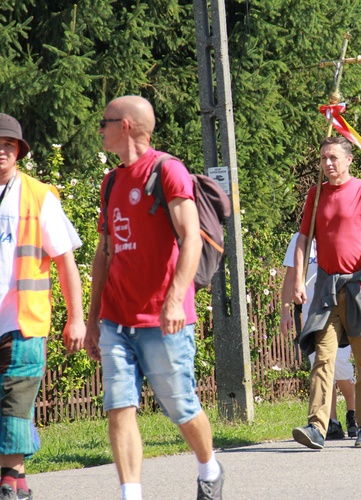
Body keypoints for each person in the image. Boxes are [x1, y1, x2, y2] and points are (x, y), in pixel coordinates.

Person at [83, 96, 223, 500]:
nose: (101, 129)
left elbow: (191, 238)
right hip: (116, 319)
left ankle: (209, 468)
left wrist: (176, 299)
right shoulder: (110, 181)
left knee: (180, 407)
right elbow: (104, 253)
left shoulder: (168, 171)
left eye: (105, 122)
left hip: (163, 319)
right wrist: (93, 320)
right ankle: (131, 495)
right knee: (119, 407)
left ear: (125, 125)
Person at [0, 114, 85, 500]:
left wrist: (77, 318)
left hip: (24, 321)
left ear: (18, 151)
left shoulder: (38, 196)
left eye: (9, 145)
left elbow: (66, 262)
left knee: (15, 401)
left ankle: (8, 479)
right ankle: (15, 482)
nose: (2, 151)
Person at [291, 136, 361, 450]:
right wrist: (298, 280)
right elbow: (303, 239)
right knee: (323, 358)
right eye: (323, 159)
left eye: (334, 158)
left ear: (349, 160)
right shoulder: (316, 193)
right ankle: (317, 428)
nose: (328, 164)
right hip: (325, 286)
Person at [280, 233, 357, 439]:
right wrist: (286, 311)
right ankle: (331, 422)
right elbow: (290, 276)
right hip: (311, 313)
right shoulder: (299, 239)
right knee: (321, 365)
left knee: (340, 364)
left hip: (338, 310)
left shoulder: (336, 233)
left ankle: (352, 411)